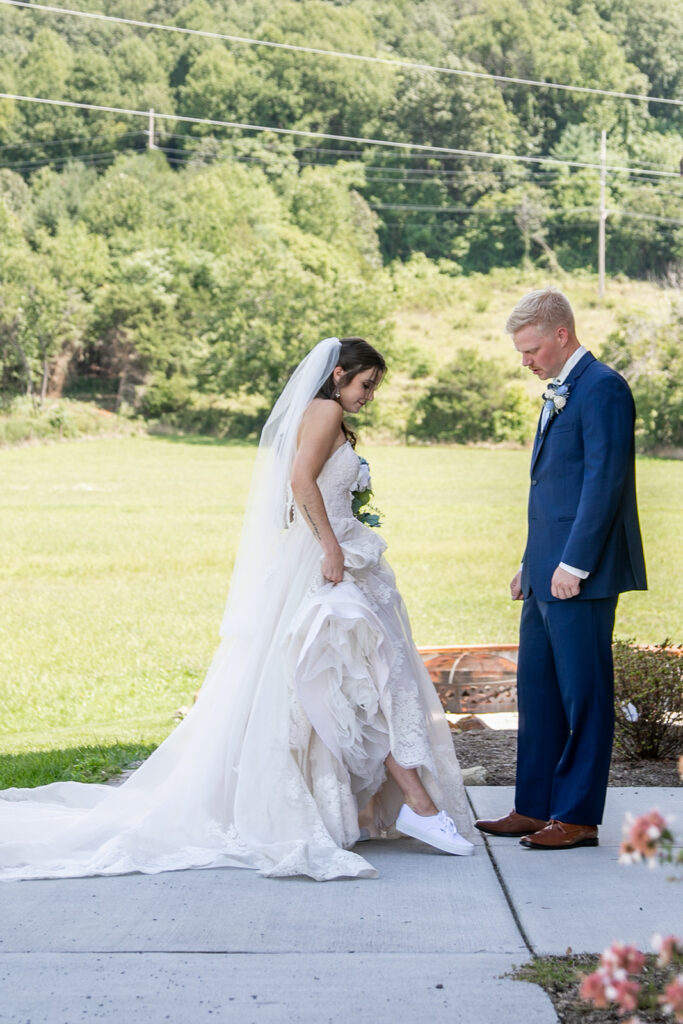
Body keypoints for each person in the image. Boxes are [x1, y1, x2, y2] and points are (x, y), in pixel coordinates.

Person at [0, 336, 472, 883]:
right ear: (339, 374)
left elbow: (306, 489)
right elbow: (299, 483)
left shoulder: (326, 415)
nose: (369, 396)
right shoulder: (321, 410)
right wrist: (332, 548)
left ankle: (368, 804)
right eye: (366, 385)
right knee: (364, 678)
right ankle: (419, 806)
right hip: (327, 563)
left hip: (332, 556)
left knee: (345, 681)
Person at [475, 289, 647, 850]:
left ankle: (576, 817)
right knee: (540, 691)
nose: (525, 360)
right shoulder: (561, 390)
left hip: (581, 573)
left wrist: (574, 563)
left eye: (530, 349)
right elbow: (552, 490)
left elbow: (603, 483)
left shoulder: (604, 389)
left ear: (561, 335)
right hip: (545, 573)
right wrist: (531, 561)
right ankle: (534, 806)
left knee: (585, 694)